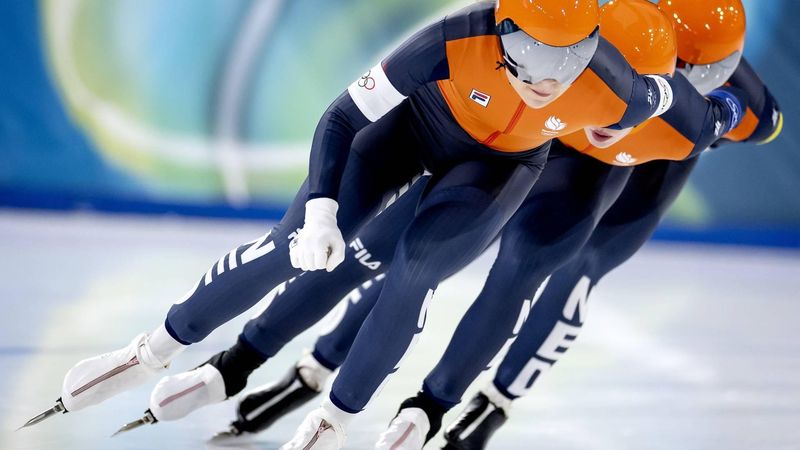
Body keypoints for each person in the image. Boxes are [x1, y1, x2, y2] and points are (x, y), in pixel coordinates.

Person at [22, 1, 737, 448]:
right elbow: (342, 116)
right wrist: (321, 205)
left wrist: (731, 114)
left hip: (496, 171)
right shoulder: (453, 38)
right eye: (529, 57)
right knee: (292, 248)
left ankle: (334, 419)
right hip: (412, 131)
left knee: (416, 273)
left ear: (593, 48)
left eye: (569, 60)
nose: (547, 79)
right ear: (502, 30)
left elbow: (707, 114)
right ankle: (150, 350)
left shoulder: (622, 87)